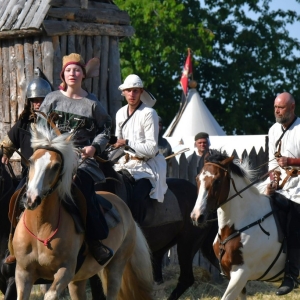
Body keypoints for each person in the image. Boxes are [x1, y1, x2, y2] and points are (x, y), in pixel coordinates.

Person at [38, 53, 113, 265]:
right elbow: (40, 126)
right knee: (27, 184)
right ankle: (15, 238)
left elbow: (106, 129)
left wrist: (94, 147)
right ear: (63, 74)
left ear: (83, 74)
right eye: (69, 70)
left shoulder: (92, 103)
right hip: (52, 155)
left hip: (81, 158)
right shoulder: (52, 98)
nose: (73, 73)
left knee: (81, 188)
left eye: (77, 69)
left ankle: (94, 240)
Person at [113, 74, 168, 224]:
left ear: (141, 92)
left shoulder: (149, 113)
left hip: (147, 167)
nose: (132, 94)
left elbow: (151, 149)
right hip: (125, 164)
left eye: (136, 91)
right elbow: (118, 144)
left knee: (137, 198)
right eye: (129, 90)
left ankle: (139, 232)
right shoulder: (120, 113)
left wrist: (127, 142)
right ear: (124, 92)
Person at [264, 92, 300, 296]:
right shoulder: (273, 130)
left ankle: (292, 276)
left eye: (281, 107)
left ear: (292, 107)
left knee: (294, 227)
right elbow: (272, 161)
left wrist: (292, 162)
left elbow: (287, 161)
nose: (277, 111)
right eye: (275, 107)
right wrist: (273, 180)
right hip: (282, 188)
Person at [1, 68, 52, 179]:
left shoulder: (55, 123)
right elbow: (7, 144)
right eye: (34, 100)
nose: (38, 104)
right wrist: (5, 153)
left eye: (41, 99)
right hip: (28, 176)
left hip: (52, 177)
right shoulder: (24, 123)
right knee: (15, 195)